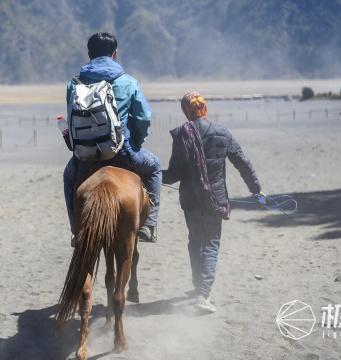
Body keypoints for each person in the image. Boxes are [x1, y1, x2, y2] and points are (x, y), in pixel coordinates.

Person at [162, 91, 264, 313]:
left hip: (190, 200)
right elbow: (242, 162)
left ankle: (199, 285)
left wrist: (152, 175)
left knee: (195, 241)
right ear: (204, 108)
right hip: (214, 200)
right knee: (211, 244)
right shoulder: (221, 132)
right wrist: (256, 190)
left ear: (186, 112)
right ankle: (203, 294)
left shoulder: (182, 134)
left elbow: (173, 174)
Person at [63, 32, 162, 243]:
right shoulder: (128, 82)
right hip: (121, 151)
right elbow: (144, 118)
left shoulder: (74, 84)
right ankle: (148, 225)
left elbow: (72, 117)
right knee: (154, 166)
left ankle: (76, 230)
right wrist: (136, 141)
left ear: (89, 54)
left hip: (84, 156)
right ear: (115, 54)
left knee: (69, 177)